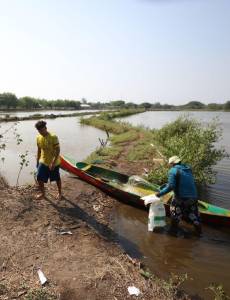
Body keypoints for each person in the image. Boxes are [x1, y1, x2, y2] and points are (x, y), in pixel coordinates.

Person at [155, 155, 202, 235]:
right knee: (193, 216)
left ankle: (172, 233)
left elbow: (171, 186)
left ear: (172, 164)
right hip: (193, 197)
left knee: (175, 215)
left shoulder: (173, 170)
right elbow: (183, 182)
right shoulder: (188, 169)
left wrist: (159, 194)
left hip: (181, 198)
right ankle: (199, 233)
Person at [35, 120, 62, 200]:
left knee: (56, 178)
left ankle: (60, 193)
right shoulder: (38, 137)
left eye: (42, 130)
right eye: (39, 130)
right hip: (43, 161)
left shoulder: (53, 137)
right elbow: (39, 150)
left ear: (46, 128)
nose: (41, 132)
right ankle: (43, 194)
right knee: (39, 177)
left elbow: (58, 150)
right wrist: (37, 161)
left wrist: (53, 163)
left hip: (54, 162)